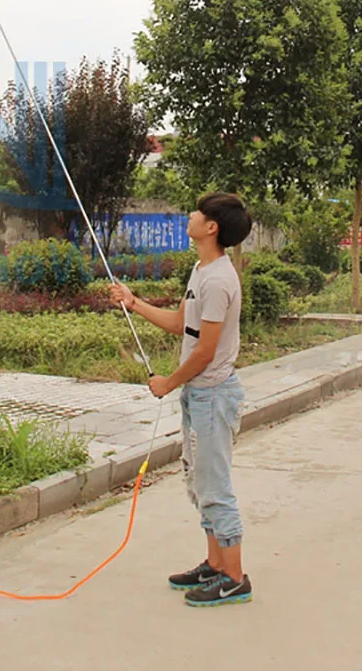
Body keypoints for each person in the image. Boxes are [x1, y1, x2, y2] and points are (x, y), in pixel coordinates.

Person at [109, 192, 253, 607]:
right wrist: (134, 304)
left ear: (211, 227)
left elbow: (206, 351)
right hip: (198, 394)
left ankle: (235, 577)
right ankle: (215, 564)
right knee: (199, 481)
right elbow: (182, 326)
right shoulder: (202, 270)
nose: (190, 215)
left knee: (215, 485)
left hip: (212, 395)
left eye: (198, 212)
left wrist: (168, 382)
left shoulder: (220, 279)